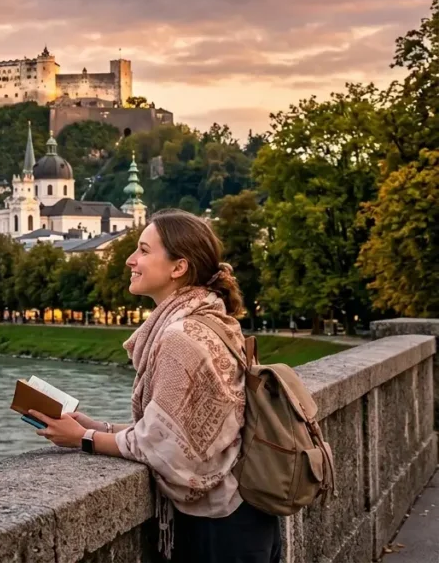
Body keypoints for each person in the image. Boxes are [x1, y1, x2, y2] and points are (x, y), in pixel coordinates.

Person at [30, 209, 281, 563]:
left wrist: (82, 440)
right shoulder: (212, 319)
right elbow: (177, 426)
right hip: (246, 515)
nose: (131, 260)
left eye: (144, 251)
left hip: (219, 527)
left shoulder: (181, 337)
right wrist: (97, 425)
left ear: (178, 268)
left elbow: (163, 445)